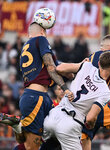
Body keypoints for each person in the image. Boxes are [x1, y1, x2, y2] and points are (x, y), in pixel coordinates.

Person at [1, 22, 73, 150]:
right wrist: (65, 88)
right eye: (45, 31)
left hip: (40, 97)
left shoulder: (27, 47)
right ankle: (20, 127)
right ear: (42, 32)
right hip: (36, 98)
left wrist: (78, 67)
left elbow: (58, 67)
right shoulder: (41, 39)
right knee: (31, 147)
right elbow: (51, 68)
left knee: (57, 134)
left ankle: (20, 126)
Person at [42, 51, 110, 150]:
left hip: (53, 116)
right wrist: (91, 125)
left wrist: (73, 76)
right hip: (70, 125)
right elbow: (90, 118)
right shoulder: (105, 92)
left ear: (99, 63)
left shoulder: (86, 65)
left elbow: (59, 68)